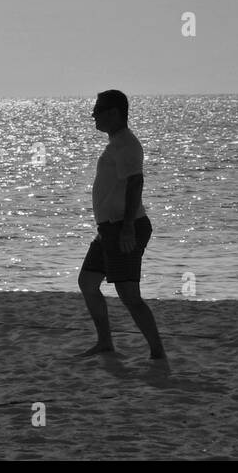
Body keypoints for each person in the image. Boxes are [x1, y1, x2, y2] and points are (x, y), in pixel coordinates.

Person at [78, 89, 167, 361]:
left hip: (123, 228)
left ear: (114, 113)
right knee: (88, 282)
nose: (93, 114)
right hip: (108, 229)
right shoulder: (116, 143)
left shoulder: (127, 145)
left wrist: (127, 228)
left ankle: (157, 352)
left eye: (98, 110)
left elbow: (135, 184)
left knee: (128, 294)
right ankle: (105, 342)